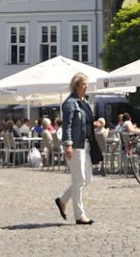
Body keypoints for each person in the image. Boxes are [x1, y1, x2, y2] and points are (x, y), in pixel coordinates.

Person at [54, 72, 93, 225]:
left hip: (86, 145)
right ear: (77, 85)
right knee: (79, 180)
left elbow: (86, 121)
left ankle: (62, 200)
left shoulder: (84, 102)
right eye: (84, 84)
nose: (86, 87)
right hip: (75, 145)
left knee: (87, 179)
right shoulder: (70, 103)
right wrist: (68, 145)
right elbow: (67, 126)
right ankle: (80, 215)